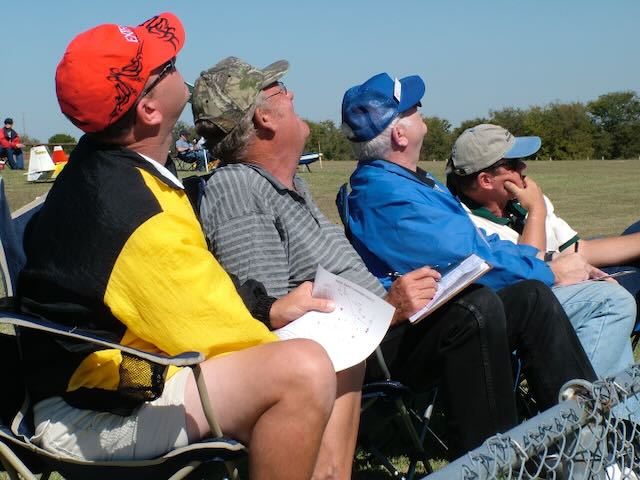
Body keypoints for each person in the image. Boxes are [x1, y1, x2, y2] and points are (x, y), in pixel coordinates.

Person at [191, 57, 597, 460]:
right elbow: (272, 319)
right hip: (352, 347)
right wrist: (388, 307)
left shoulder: (289, 184)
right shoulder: (237, 187)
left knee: (529, 297)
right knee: (474, 309)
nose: (293, 94)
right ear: (263, 118)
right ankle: (491, 465)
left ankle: (590, 447)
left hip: (376, 326)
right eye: (279, 90)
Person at [16, 13, 346, 479]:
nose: (177, 62)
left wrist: (267, 308)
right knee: (303, 369)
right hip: (92, 411)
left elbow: (196, 286)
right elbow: (218, 335)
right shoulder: (132, 212)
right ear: (149, 110)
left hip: (120, 373)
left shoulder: (116, 164)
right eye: (166, 66)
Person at [342, 73, 636, 383]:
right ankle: (583, 411)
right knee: (609, 301)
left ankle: (599, 407)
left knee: (607, 290)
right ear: (400, 134)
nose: (420, 110)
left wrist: (543, 263)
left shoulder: (406, 182)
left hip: (481, 302)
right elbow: (472, 265)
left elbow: (483, 245)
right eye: (412, 107)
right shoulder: (389, 196)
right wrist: (551, 272)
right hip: (465, 316)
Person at [445, 123, 640, 316]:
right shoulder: (467, 226)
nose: (523, 166)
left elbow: (577, 249)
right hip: (549, 306)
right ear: (486, 180)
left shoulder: (520, 201)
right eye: (513, 164)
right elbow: (530, 277)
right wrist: (536, 210)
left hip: (573, 281)